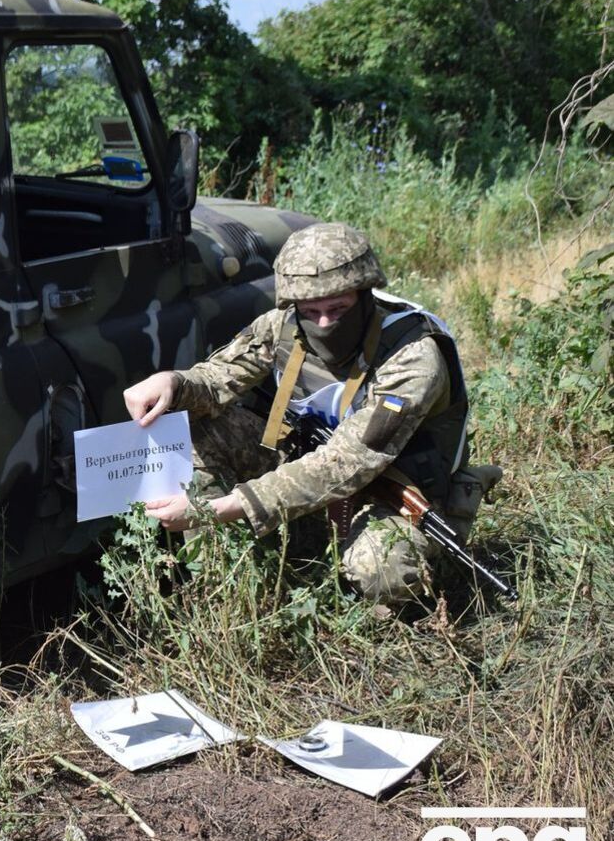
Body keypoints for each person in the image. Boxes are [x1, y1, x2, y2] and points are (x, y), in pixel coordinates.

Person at [122, 221, 476, 605]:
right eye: (312, 310)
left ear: (364, 293)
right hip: (305, 458)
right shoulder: (284, 327)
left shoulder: (412, 356)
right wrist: (174, 382)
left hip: (396, 486)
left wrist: (223, 508)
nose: (324, 322)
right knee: (197, 427)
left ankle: (385, 602)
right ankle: (224, 587)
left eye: (338, 308)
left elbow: (347, 463)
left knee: (381, 568)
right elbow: (218, 376)